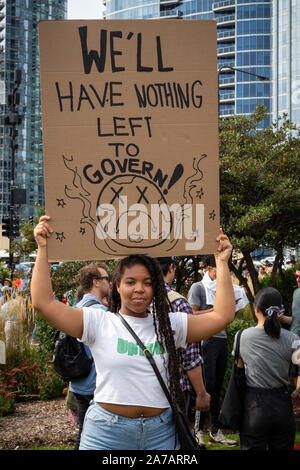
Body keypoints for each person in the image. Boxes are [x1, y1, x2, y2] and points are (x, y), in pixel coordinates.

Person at [31, 215, 235, 451]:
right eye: (130, 282)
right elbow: (43, 303)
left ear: (155, 287)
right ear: (117, 285)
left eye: (147, 282)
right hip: (106, 433)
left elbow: (223, 316)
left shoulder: (171, 324)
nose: (139, 288)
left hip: (160, 434)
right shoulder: (99, 321)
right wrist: (43, 249)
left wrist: (222, 262)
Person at [234, 287, 300, 450]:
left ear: (256, 309)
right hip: (282, 407)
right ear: (280, 311)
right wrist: (298, 389)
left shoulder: (241, 337)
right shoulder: (293, 339)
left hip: (253, 409)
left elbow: (238, 373)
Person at [156, 257, 210, 449]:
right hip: (176, 387)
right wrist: (201, 393)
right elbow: (190, 357)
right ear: (171, 268)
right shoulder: (178, 303)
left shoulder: (133, 301)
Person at [187, 255, 238, 447]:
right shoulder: (198, 287)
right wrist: (216, 311)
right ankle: (198, 430)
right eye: (216, 269)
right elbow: (191, 313)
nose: (219, 274)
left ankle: (215, 431)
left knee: (216, 388)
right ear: (208, 268)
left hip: (221, 338)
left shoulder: (222, 288)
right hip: (206, 340)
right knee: (206, 386)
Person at [69, 262, 110, 450]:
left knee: (86, 433)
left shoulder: (76, 308)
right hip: (94, 384)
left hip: (78, 381)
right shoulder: (99, 313)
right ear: (96, 282)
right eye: (107, 279)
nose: (110, 283)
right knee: (93, 436)